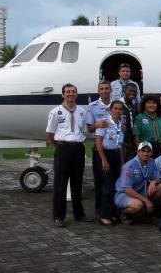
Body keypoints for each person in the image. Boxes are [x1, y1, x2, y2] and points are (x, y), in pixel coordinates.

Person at [46, 83, 93, 227]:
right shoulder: (55, 112)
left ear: (76, 94)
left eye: (73, 92)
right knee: (60, 183)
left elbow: (86, 129)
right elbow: (50, 133)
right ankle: (59, 216)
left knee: (77, 183)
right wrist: (60, 146)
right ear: (63, 94)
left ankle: (79, 214)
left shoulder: (82, 112)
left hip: (78, 149)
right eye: (68, 92)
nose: (71, 94)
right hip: (63, 148)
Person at [114, 142, 161, 225]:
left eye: (148, 151)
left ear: (151, 153)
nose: (145, 153)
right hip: (124, 194)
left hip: (141, 190)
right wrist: (146, 200)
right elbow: (127, 190)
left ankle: (148, 214)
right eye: (142, 151)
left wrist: (153, 182)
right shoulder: (129, 166)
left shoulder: (152, 162)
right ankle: (124, 212)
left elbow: (158, 177)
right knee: (138, 205)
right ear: (138, 152)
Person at [94, 100, 125, 226]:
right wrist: (103, 160)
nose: (117, 111)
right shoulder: (104, 124)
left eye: (120, 109)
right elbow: (98, 142)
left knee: (115, 184)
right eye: (115, 108)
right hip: (104, 155)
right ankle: (103, 215)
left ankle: (112, 212)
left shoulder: (120, 125)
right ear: (110, 110)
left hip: (115, 155)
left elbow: (121, 146)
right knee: (108, 185)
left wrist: (122, 162)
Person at [85, 80, 112, 217]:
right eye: (102, 88)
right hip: (100, 148)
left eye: (107, 88)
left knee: (113, 182)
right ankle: (99, 210)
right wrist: (96, 125)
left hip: (114, 146)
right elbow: (90, 129)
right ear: (98, 91)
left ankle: (111, 210)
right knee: (100, 181)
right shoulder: (92, 106)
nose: (105, 91)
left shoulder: (116, 105)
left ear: (111, 90)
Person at [133, 94, 161, 158]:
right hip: (146, 148)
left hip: (160, 147)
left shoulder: (160, 117)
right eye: (149, 103)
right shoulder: (139, 117)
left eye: (154, 103)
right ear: (144, 105)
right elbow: (136, 136)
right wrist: (139, 150)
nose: (151, 105)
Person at [120, 83, 139, 162]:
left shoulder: (134, 107)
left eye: (134, 91)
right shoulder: (118, 105)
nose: (132, 93)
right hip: (122, 141)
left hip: (132, 140)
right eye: (130, 91)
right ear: (124, 91)